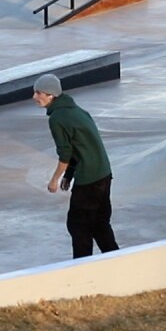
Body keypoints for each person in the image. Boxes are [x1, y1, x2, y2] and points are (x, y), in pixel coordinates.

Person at [33, 73, 119, 259]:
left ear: (51, 95)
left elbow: (65, 153)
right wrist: (69, 175)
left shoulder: (57, 118)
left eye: (38, 93)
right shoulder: (77, 111)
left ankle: (81, 267)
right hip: (104, 174)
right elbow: (78, 147)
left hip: (89, 180)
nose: (34, 97)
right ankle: (115, 261)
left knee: (78, 226)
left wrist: (55, 179)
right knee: (99, 224)